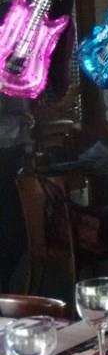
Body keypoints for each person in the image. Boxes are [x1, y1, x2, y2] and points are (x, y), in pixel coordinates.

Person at [0, 95, 33, 290]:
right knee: (14, 227)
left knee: (19, 227)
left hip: (14, 154)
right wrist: (20, 120)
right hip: (5, 155)